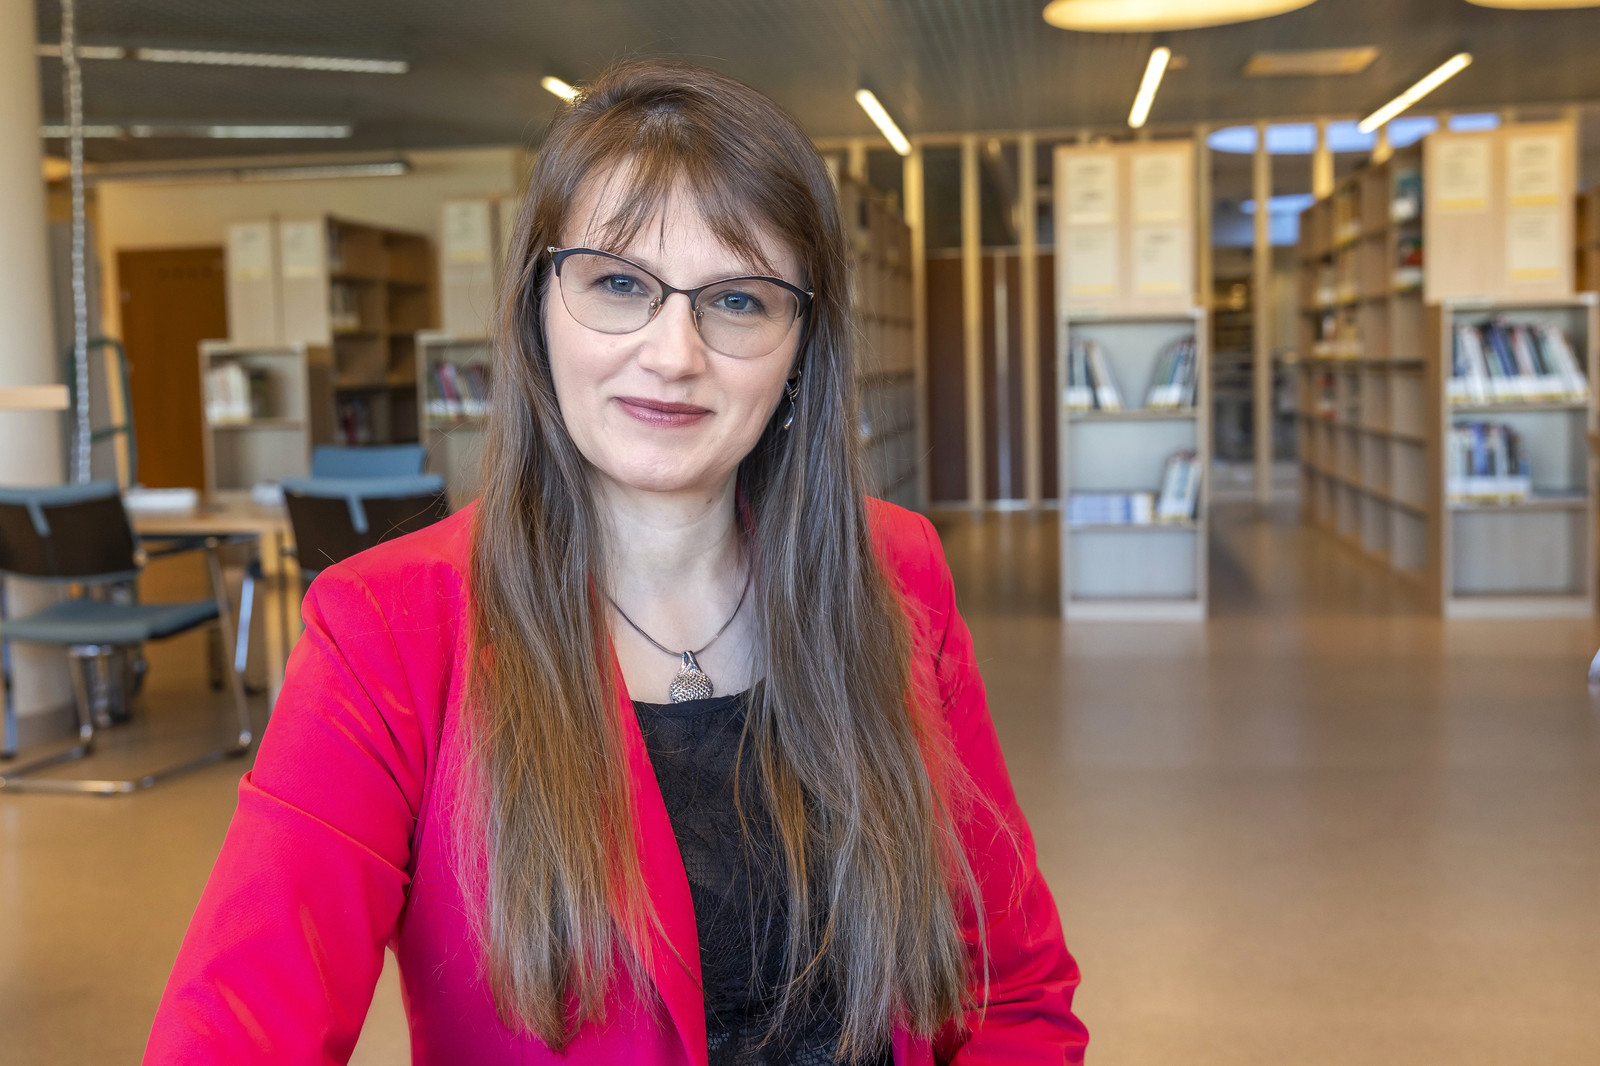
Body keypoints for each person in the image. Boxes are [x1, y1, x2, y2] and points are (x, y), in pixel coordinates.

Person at [145, 60, 1087, 1066]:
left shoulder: (896, 573)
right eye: (620, 284)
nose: (674, 354)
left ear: (801, 346)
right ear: (537, 307)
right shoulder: (385, 630)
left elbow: (1014, 992)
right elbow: (232, 1036)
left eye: (738, 300)